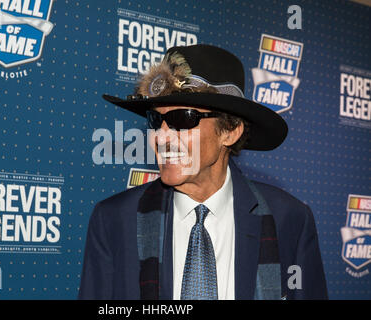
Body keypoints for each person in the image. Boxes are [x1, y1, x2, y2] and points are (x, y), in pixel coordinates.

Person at [78, 44, 328, 300]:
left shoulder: (290, 220)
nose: (161, 136)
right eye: (155, 120)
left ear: (230, 131)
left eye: (183, 119)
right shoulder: (114, 220)